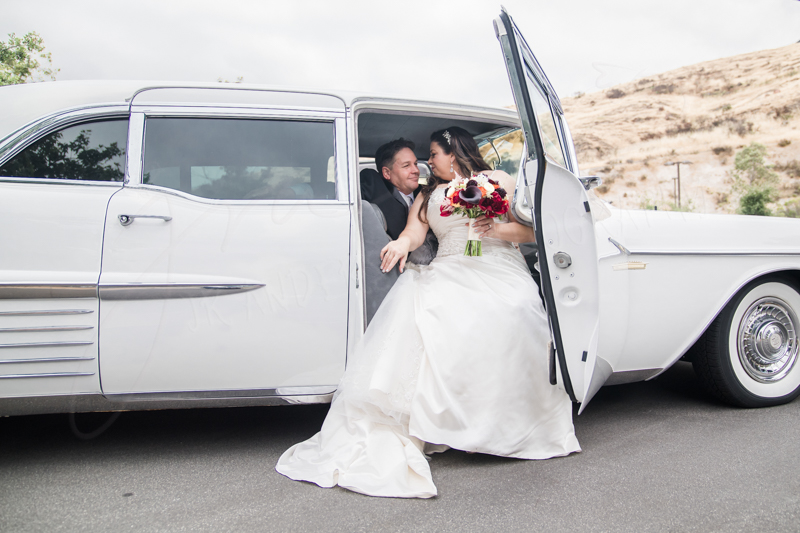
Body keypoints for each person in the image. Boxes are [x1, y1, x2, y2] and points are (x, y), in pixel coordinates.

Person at [276, 126, 580, 499]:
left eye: (433, 154)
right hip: (452, 264)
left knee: (514, 307)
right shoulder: (427, 193)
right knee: (439, 307)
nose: (427, 162)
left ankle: (508, 423)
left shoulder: (498, 180)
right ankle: (447, 422)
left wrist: (496, 230)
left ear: (452, 153)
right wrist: (401, 244)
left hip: (499, 263)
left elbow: (533, 231)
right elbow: (415, 231)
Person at [361, 138, 437, 265]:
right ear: (386, 173)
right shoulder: (377, 195)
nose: (416, 170)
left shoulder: (429, 193)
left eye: (416, 164)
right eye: (406, 166)